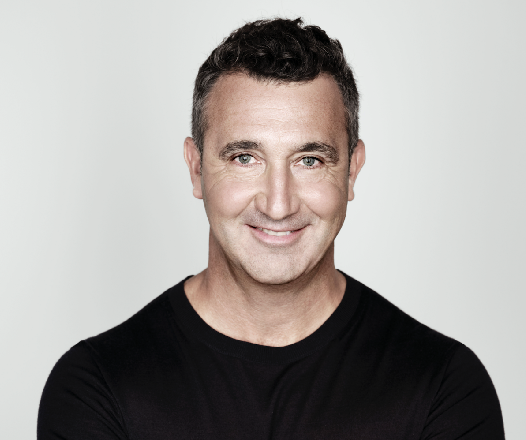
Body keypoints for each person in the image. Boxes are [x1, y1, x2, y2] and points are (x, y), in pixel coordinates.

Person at [38, 17, 504, 439]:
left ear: (352, 171)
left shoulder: (443, 388)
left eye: (309, 160)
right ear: (196, 169)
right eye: (245, 158)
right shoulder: (97, 388)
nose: (278, 205)